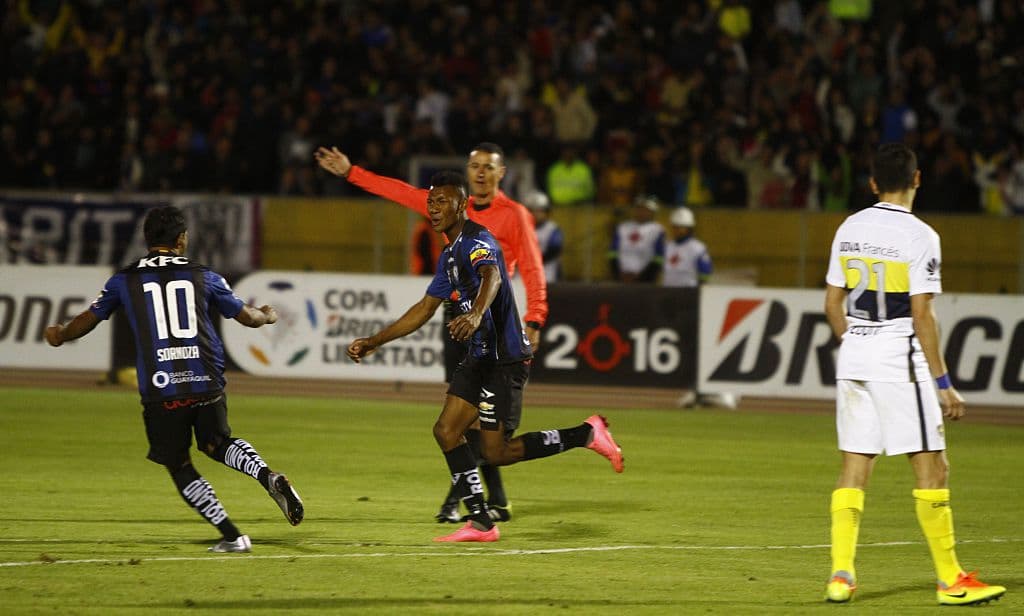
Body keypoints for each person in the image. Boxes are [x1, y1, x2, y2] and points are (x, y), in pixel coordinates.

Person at [347, 171, 623, 542]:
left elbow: (492, 275)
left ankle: (586, 433)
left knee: (497, 452)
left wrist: (476, 313)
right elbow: (425, 308)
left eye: (442, 201)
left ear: (462, 204)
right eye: (430, 203)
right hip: (479, 358)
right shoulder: (449, 255)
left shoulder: (478, 239)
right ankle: (481, 522)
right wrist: (374, 341)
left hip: (504, 360)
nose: (434, 209)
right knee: (447, 431)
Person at [44, 206, 303, 553]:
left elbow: (89, 319)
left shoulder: (124, 279)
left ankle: (232, 536)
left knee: (179, 463)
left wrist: (60, 334)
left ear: (146, 239)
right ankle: (267, 476)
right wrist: (268, 316)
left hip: (162, 385)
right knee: (217, 443)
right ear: (181, 239)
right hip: (206, 376)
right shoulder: (205, 275)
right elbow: (248, 317)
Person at [315, 142, 547, 524]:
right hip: (455, 315)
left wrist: (535, 317)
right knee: (462, 420)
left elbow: (532, 268)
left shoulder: (513, 215)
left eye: (488, 167)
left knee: (469, 423)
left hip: (488, 319)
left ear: (501, 173)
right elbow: (400, 192)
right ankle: (493, 501)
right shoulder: (447, 205)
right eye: (475, 165)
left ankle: (462, 501)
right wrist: (351, 173)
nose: (481, 172)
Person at [822, 143, 1005, 606]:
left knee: (855, 466)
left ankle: (840, 576)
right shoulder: (920, 235)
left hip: (855, 355)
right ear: (917, 179)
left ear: (872, 183)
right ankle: (950, 581)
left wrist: (857, 344)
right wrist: (944, 384)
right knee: (933, 468)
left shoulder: (849, 226)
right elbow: (923, 314)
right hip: (898, 357)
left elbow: (832, 303)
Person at [609, 195, 665, 283]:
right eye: (639, 208)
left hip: (644, 280)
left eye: (645, 210)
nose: (641, 212)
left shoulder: (657, 230)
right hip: (621, 278)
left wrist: (642, 278)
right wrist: (617, 274)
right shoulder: (623, 227)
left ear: (652, 212)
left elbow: (658, 257)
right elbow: (613, 252)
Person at [661, 207, 711, 288]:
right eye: (675, 227)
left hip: (688, 291)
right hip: (668, 290)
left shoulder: (697, 248)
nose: (677, 230)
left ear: (689, 229)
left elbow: (705, 273)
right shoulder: (667, 246)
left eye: (681, 227)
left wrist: (698, 290)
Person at [523, 190, 564, 282]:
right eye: (532, 211)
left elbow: (554, 250)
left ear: (546, 212)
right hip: (522, 276)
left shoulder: (552, 229)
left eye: (540, 211)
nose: (536, 214)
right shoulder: (519, 228)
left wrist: (533, 261)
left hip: (546, 275)